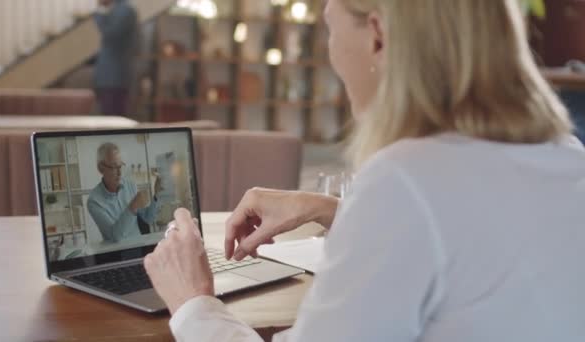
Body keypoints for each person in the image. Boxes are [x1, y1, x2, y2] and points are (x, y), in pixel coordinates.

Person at [144, 0, 585, 341]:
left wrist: (193, 302)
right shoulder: (566, 156)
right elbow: (469, 236)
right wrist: (332, 209)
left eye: (331, 30)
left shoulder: (409, 178)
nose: (332, 53)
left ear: (377, 35)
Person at [87, 143, 161, 243]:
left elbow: (148, 218)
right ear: (101, 168)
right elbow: (115, 236)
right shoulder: (94, 201)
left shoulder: (130, 186)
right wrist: (132, 207)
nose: (120, 173)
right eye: (114, 167)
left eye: (120, 166)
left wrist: (156, 195)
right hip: (118, 254)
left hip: (139, 247)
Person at [93, 0, 138, 116]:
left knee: (113, 117)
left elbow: (111, 34)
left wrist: (99, 14)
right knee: (109, 116)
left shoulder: (124, 10)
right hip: (111, 76)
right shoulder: (118, 9)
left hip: (115, 76)